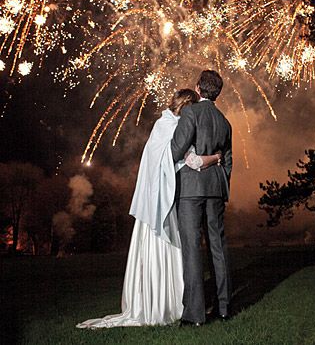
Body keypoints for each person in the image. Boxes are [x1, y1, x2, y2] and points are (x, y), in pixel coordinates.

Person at [76, 88, 221, 328]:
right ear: (187, 108)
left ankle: (157, 300)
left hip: (154, 202)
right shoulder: (177, 128)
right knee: (170, 248)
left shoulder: (160, 124)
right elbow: (192, 162)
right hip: (163, 204)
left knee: (158, 251)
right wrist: (215, 158)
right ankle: (169, 303)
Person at [171, 70, 232, 326]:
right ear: (217, 93)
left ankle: (195, 314)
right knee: (218, 245)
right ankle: (225, 308)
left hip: (191, 189)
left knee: (192, 248)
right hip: (215, 187)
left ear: (198, 89)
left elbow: (177, 149)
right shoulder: (224, 121)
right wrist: (221, 183)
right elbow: (228, 161)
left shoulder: (191, 113)